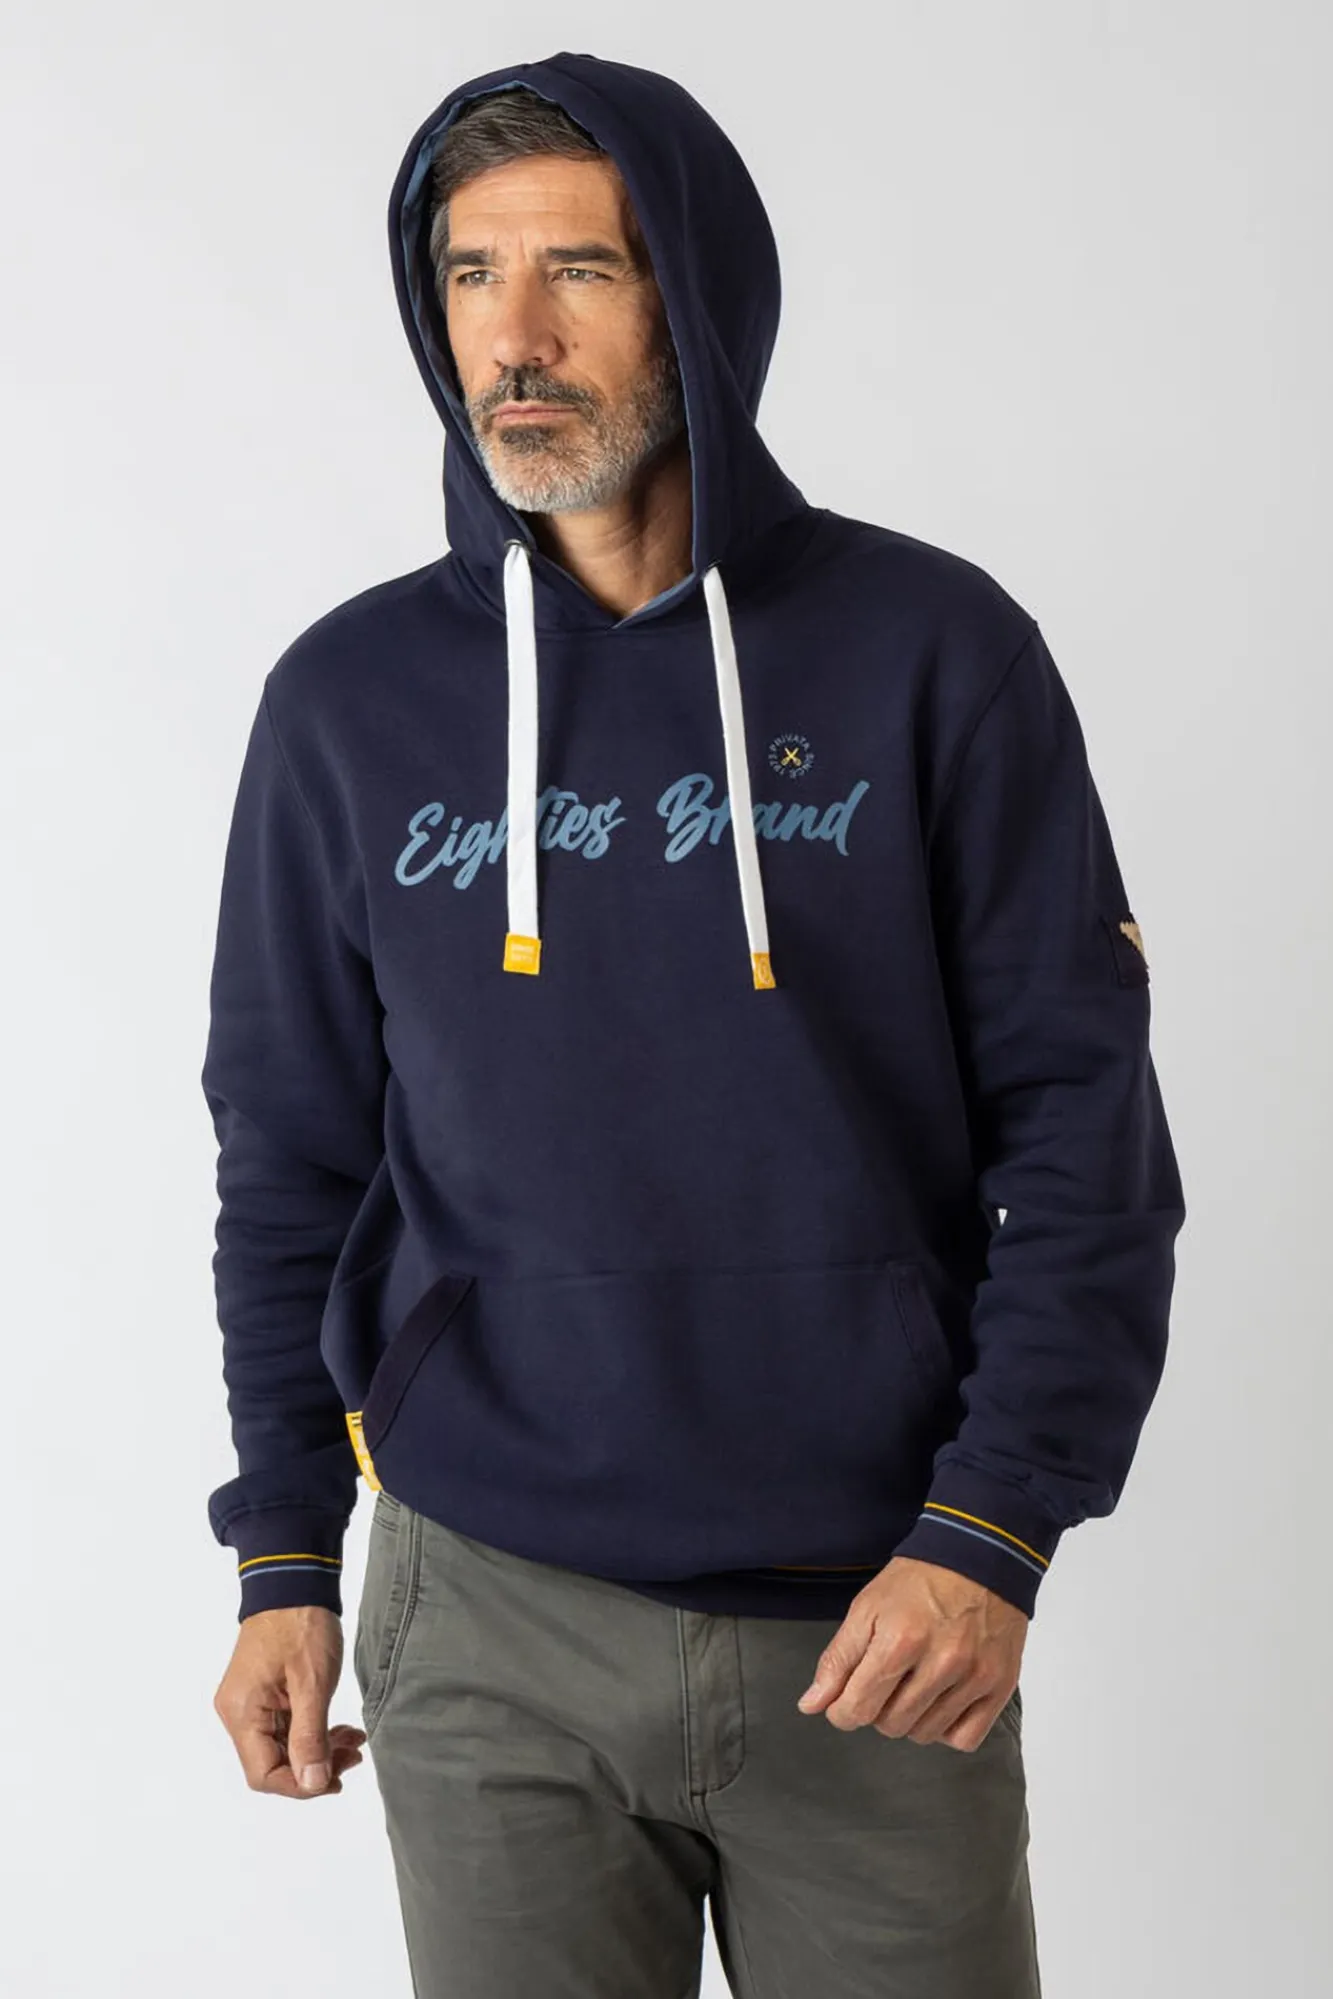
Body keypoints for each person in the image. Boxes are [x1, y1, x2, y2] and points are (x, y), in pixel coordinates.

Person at [204, 50, 1185, 1998]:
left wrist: (993, 1529)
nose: (514, 336)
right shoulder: (350, 704)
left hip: (881, 1619)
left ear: (702, 302)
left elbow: (1085, 1131)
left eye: (580, 268)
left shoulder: (933, 655)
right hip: (486, 1621)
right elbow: (290, 1157)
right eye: (469, 275)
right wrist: (284, 1551)